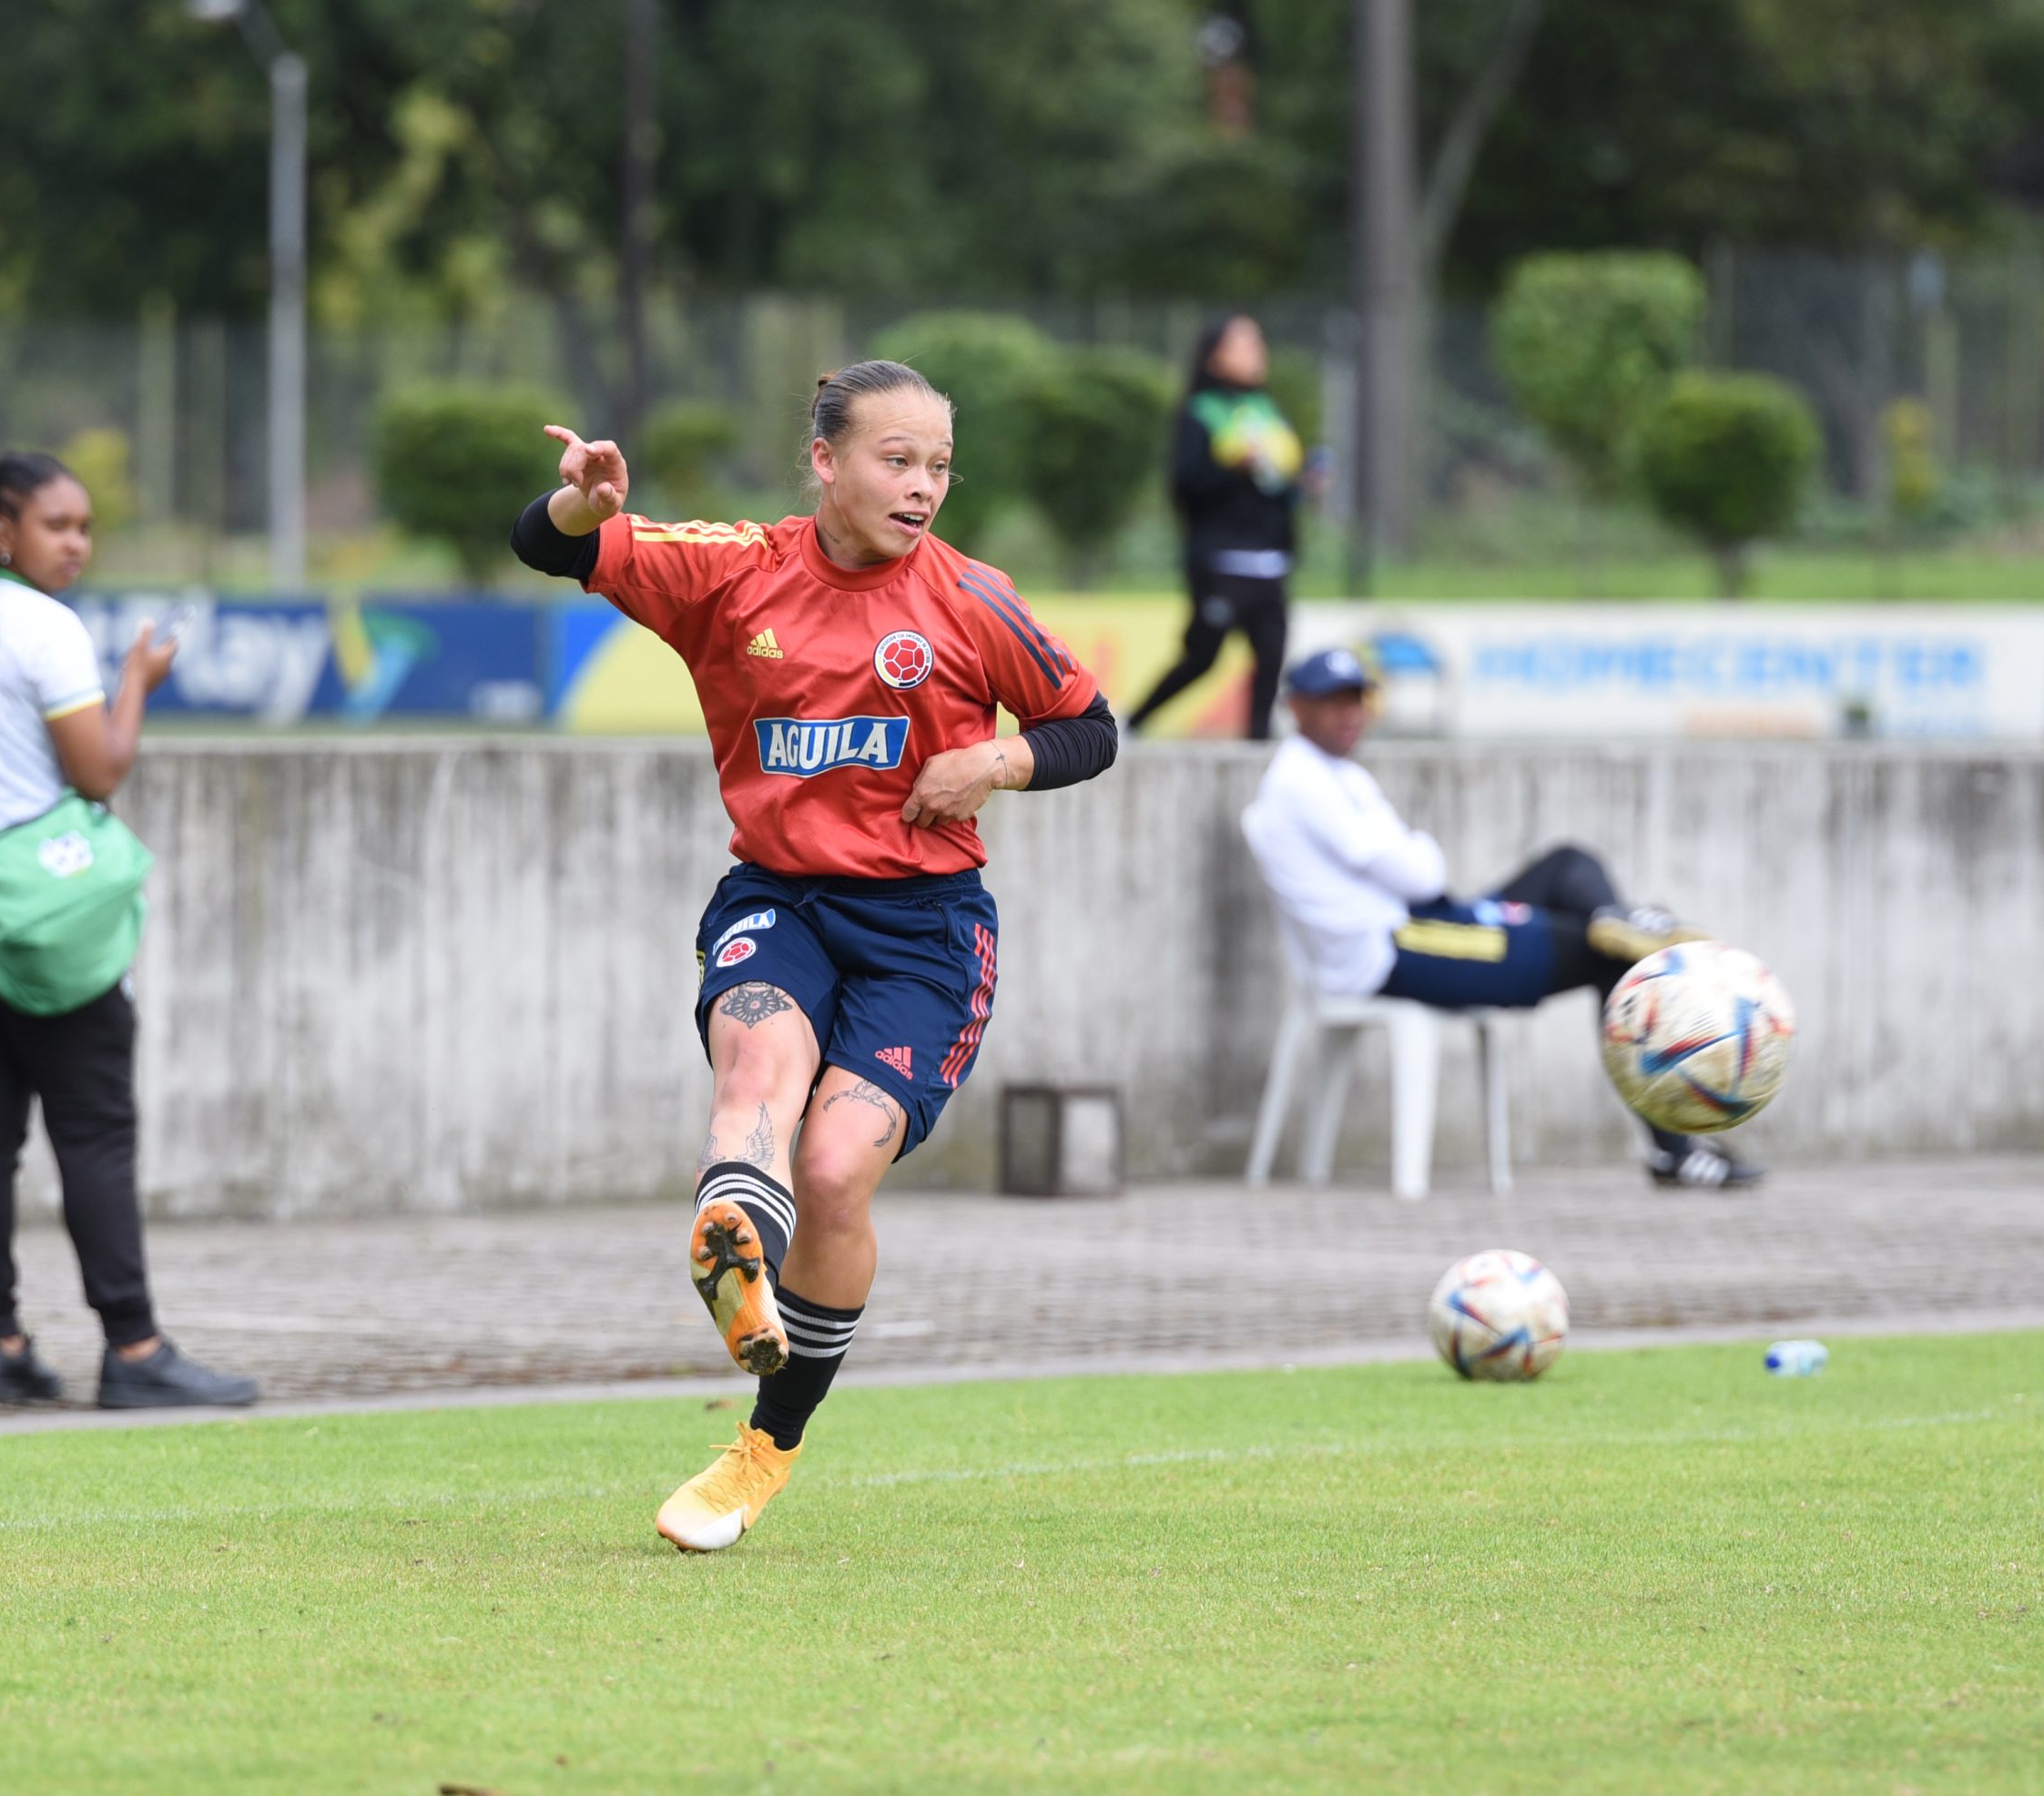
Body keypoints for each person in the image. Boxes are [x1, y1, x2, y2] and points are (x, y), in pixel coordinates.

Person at [510, 360, 1117, 1552]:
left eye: (940, 464)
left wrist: (994, 764)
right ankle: (737, 1248)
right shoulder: (738, 570)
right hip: (779, 896)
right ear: (826, 461)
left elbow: (1089, 726)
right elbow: (551, 545)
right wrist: (584, 502)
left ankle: (764, 1443)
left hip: (926, 931)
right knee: (760, 1073)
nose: (924, 486)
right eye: (898, 459)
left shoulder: (972, 599)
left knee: (837, 1168)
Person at [0, 452, 259, 1407]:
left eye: (86, 527)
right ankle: (135, 1350)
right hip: (37, 907)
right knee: (94, 1126)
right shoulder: (43, 626)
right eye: (56, 525)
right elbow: (99, 772)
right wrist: (138, 678)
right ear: (1, 529)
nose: (77, 544)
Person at [1242, 646, 1763, 1189]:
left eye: (1357, 699)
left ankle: (1618, 918)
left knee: (1569, 864)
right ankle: (1672, 1148)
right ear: (1295, 707)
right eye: (1332, 701)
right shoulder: (1303, 782)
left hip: (1422, 925)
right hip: (1396, 950)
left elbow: (1416, 870)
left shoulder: (1331, 774)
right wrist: (1420, 855)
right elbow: (1420, 873)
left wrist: (1418, 858)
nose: (1350, 713)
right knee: (1613, 956)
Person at [1124, 313, 1310, 742]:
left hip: (1270, 560)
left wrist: (1304, 485)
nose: (1258, 351)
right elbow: (1185, 485)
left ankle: (1257, 748)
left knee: (1270, 660)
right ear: (1214, 356)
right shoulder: (1199, 412)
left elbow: (1278, 483)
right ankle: (1130, 726)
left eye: (1257, 342)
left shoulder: (1268, 411)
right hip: (1221, 559)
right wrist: (1233, 469)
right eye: (1244, 343)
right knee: (1202, 656)